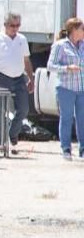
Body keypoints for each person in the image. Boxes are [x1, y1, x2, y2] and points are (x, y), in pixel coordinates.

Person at [0, 12, 33, 152]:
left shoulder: (22, 39)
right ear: (5, 25)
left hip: (19, 77)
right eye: (12, 25)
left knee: (23, 109)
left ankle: (12, 134)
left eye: (18, 25)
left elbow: (26, 60)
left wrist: (31, 78)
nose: (15, 28)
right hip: (1, 76)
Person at [46, 17, 84, 161]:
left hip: (82, 88)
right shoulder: (60, 46)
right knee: (67, 118)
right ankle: (66, 149)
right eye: (82, 29)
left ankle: (83, 149)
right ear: (74, 30)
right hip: (66, 88)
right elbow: (50, 66)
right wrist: (67, 68)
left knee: (82, 119)